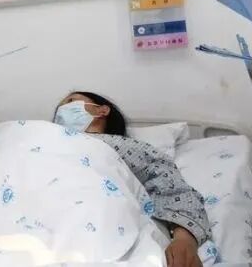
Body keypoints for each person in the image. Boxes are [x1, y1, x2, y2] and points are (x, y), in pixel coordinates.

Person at [53, 92, 210, 267]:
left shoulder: (125, 146)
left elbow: (172, 187)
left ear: (102, 110)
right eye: (59, 108)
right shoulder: (45, 140)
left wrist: (184, 240)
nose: (62, 109)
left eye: (71, 101)